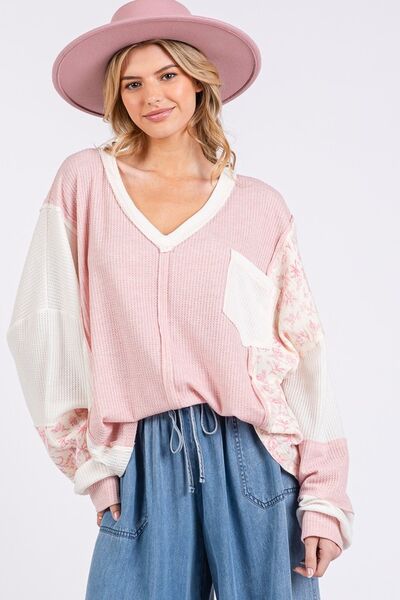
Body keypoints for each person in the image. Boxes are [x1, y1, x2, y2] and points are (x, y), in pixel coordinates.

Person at [6, 1, 355, 598]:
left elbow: (301, 355)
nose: (152, 96)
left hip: (255, 460)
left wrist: (323, 496)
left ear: (198, 80)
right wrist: (89, 463)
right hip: (142, 460)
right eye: (132, 83)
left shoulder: (259, 207)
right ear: (117, 96)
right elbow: (43, 326)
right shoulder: (84, 182)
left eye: (167, 74)